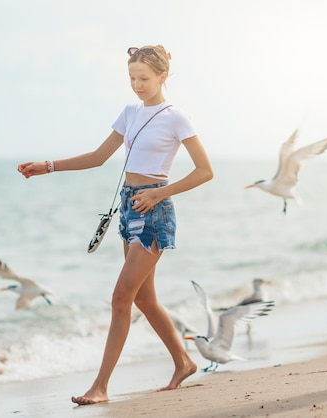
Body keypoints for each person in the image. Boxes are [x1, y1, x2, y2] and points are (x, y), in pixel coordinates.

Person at [17, 44, 213, 405]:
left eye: (144, 79)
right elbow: (98, 157)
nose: (137, 85)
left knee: (122, 296)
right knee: (144, 297)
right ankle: (183, 362)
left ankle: (101, 387)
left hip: (154, 210)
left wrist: (159, 193)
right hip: (128, 207)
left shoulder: (176, 117)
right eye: (132, 79)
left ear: (162, 76)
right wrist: (47, 166)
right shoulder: (129, 112)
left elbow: (205, 171)